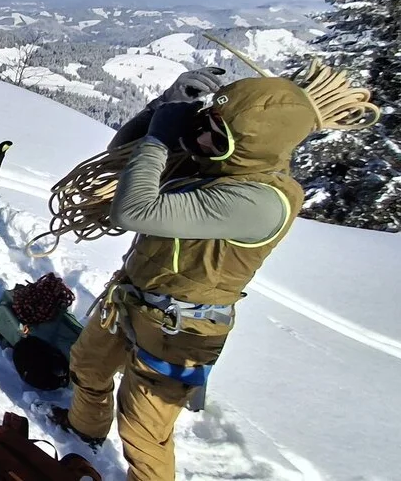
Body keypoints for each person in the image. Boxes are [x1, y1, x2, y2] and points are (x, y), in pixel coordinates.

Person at [54, 69, 319, 481]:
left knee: (144, 431)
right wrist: (158, 110)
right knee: (88, 366)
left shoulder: (259, 201)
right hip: (132, 298)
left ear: (253, 145)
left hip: (182, 329)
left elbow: (133, 210)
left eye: (217, 135)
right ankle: (83, 429)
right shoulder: (216, 165)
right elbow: (119, 155)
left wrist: (160, 140)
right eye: (207, 125)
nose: (201, 138)